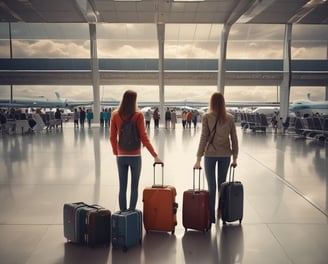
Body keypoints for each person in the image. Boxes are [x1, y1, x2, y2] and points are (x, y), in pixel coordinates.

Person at [110, 90, 162, 211]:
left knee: (122, 187)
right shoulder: (138, 116)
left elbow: (112, 137)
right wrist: (154, 155)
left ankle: (122, 215)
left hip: (121, 156)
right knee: (134, 187)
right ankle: (131, 214)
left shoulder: (115, 115)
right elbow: (144, 137)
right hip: (135, 156)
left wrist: (116, 152)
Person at [193, 92, 238, 226]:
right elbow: (234, 139)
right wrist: (235, 158)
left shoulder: (206, 116)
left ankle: (210, 217)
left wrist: (198, 159)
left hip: (210, 156)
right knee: (222, 185)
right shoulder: (230, 118)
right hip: (225, 155)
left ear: (211, 102)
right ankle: (222, 213)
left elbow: (204, 138)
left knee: (211, 186)